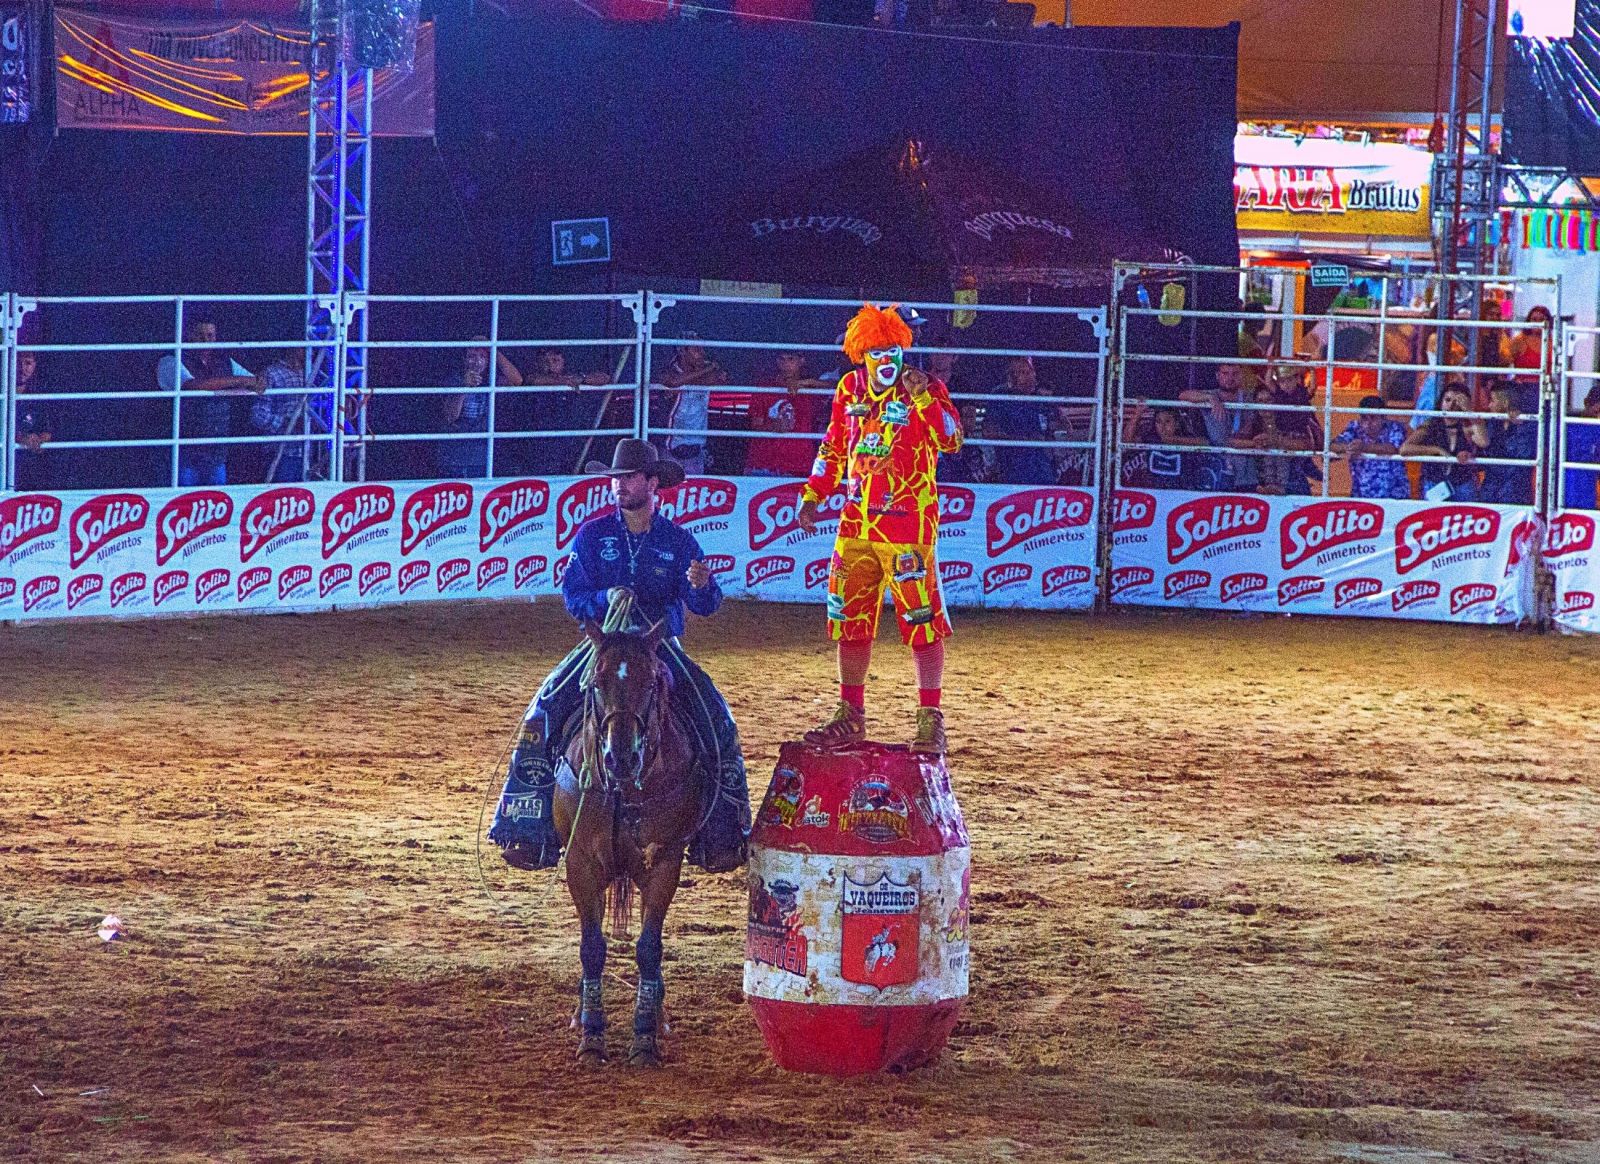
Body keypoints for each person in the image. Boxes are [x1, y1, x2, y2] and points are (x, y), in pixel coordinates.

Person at [487, 439, 749, 873]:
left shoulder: (679, 543)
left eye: (628, 478)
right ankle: (527, 827)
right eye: (615, 478)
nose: (619, 485)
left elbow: (703, 605)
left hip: (659, 649)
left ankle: (722, 832)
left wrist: (702, 586)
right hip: (603, 646)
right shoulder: (593, 536)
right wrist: (605, 597)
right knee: (544, 710)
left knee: (717, 717)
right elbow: (574, 595)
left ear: (651, 483)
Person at [796, 304, 963, 754]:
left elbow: (951, 439)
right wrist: (814, 493)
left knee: (922, 621)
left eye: (893, 349)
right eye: (876, 351)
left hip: (909, 528)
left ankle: (931, 719)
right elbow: (833, 445)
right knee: (849, 622)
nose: (887, 359)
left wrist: (925, 397)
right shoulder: (847, 388)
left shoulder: (925, 389)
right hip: (854, 526)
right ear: (861, 353)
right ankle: (850, 714)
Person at [156, 317, 263, 486]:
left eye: (210, 335)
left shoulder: (224, 361)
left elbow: (256, 382)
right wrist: (234, 381)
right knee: (183, 502)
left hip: (216, 450)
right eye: (200, 335)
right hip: (183, 449)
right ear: (189, 335)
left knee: (216, 503)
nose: (206, 340)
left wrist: (244, 382)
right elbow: (193, 386)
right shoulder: (170, 360)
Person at [439, 337, 523, 479]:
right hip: (454, 457)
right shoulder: (454, 380)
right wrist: (464, 387)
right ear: (464, 359)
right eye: (472, 356)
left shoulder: (492, 380)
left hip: (482, 458)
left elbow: (517, 381)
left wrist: (492, 347)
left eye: (483, 356)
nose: (477, 361)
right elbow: (450, 416)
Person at [523, 346, 609, 475]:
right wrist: (565, 381)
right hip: (543, 440)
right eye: (546, 359)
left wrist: (581, 379)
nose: (551, 362)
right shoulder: (534, 378)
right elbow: (533, 380)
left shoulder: (573, 376)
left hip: (572, 439)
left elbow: (605, 378)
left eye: (555, 358)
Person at [249, 350, 330, 483]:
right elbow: (258, 414)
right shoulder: (272, 374)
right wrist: (288, 423)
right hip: (282, 452)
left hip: (311, 451)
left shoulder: (315, 374)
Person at [745, 350, 830, 476]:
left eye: (791, 359)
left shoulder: (811, 390)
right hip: (764, 463)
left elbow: (840, 387)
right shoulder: (764, 388)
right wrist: (774, 426)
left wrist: (806, 383)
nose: (786, 364)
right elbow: (755, 425)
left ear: (801, 361)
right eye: (782, 359)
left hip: (799, 463)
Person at [1403, 382, 1487, 501]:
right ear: (1441, 402)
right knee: (1433, 518)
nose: (1451, 405)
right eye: (1447, 400)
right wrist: (1436, 450)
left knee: (1468, 518)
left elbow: (1483, 442)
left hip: (1463, 483)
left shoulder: (1468, 425)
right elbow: (1405, 449)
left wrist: (1469, 411)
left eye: (1457, 402)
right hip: (1434, 483)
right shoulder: (1430, 424)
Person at [659, 333, 729, 476]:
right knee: (667, 489)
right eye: (696, 349)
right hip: (670, 444)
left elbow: (720, 378)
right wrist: (705, 372)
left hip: (697, 446)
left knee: (694, 492)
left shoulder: (708, 367)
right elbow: (672, 382)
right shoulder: (670, 370)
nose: (702, 353)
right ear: (682, 351)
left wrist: (687, 380)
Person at [985, 355, 1055, 484]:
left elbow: (1053, 429)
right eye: (1024, 373)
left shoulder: (1039, 399)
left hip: (1043, 471)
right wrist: (1023, 441)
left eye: (1031, 371)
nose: (1031, 376)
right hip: (1013, 471)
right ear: (1011, 377)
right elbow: (989, 432)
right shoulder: (1000, 397)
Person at [1332, 394, 1411, 499]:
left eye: (1373, 418)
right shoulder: (1354, 427)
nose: (1368, 423)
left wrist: (1363, 447)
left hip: (1395, 496)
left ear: (1383, 417)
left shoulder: (1394, 427)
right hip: (1361, 496)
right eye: (1364, 418)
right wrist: (1349, 447)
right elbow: (1332, 446)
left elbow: (1393, 448)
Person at [1480, 379, 1538, 506]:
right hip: (1490, 490)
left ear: (1505, 403)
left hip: (1515, 492)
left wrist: (1520, 426)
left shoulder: (1527, 423)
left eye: (1493, 400)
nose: (1489, 405)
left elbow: (1526, 454)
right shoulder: (1492, 423)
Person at [1123, 401, 1204, 490]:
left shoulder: (1185, 438)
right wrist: (1138, 413)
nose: (1163, 426)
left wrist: (1173, 440)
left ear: (1176, 424)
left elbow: (1204, 443)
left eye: (1167, 421)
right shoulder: (1150, 439)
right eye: (1158, 421)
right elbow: (1127, 440)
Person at [13, 350, 57, 491]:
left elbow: (48, 428)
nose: (22, 368)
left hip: (28, 461)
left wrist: (39, 440)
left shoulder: (38, 394)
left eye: (28, 363)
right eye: (18, 362)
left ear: (35, 365)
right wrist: (21, 437)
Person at [1562, 385, 1600, 510]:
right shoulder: (1566, 423)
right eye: (1596, 412)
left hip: (1588, 488)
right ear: (1586, 403)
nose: (1598, 417)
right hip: (1565, 484)